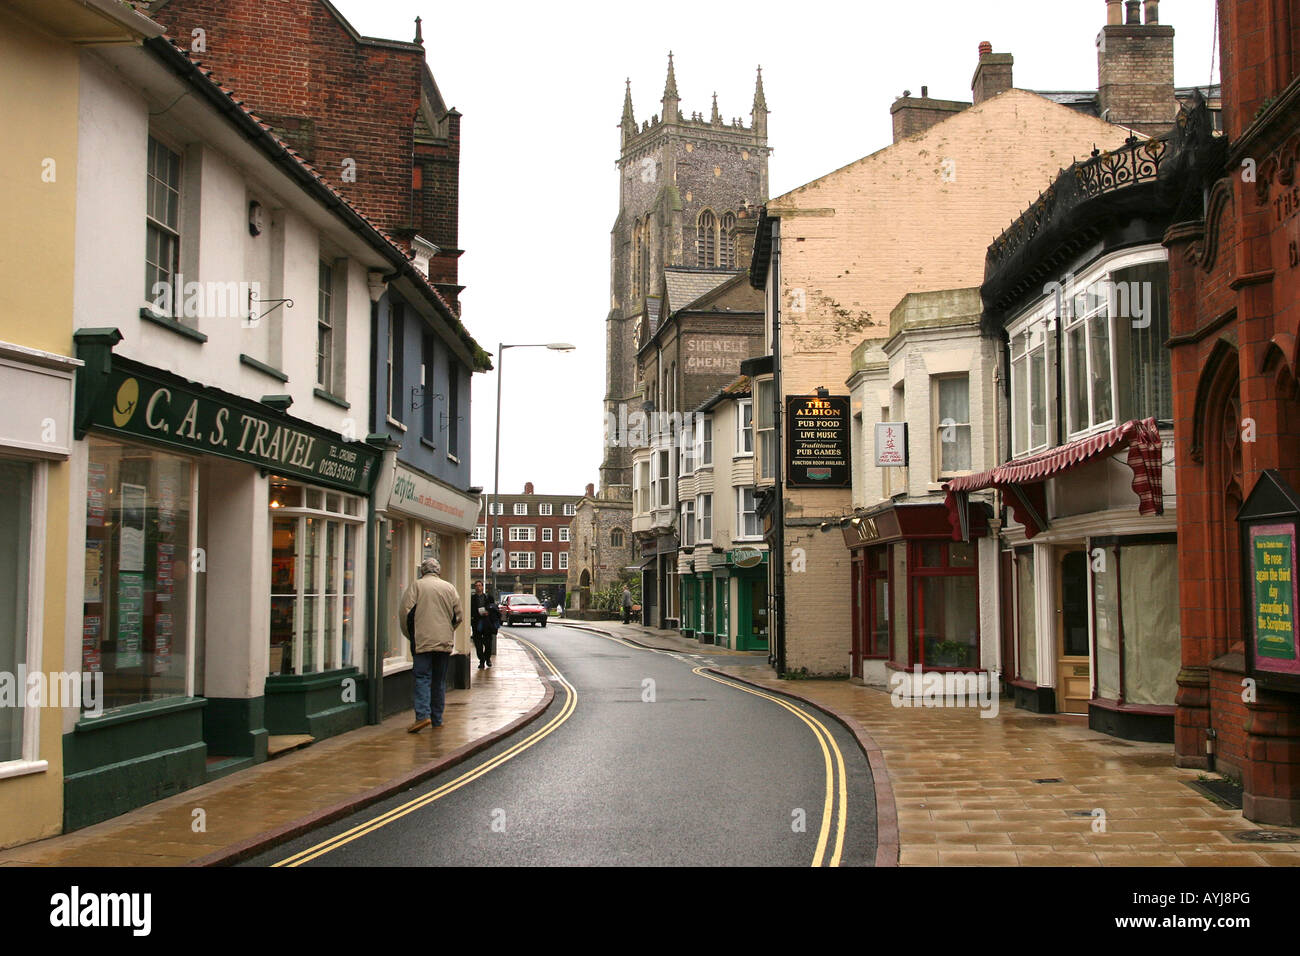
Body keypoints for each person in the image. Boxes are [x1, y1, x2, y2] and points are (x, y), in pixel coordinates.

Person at [399, 558, 462, 733]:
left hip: (422, 641)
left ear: (422, 572)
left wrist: (410, 635)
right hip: (444, 641)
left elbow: (405, 613)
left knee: (422, 678)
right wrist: (448, 631)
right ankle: (437, 719)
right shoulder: (449, 588)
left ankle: (422, 717)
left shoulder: (416, 586)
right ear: (438, 571)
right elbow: (458, 616)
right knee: (439, 681)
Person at [470, 580, 500, 670]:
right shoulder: (472, 598)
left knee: (488, 643)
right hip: (476, 622)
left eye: (479, 585)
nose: (478, 587)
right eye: (476, 586)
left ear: (482, 587)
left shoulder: (489, 597)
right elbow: (470, 610)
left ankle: (487, 659)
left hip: (487, 623)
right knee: (478, 644)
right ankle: (481, 661)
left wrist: (488, 612)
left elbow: (494, 609)